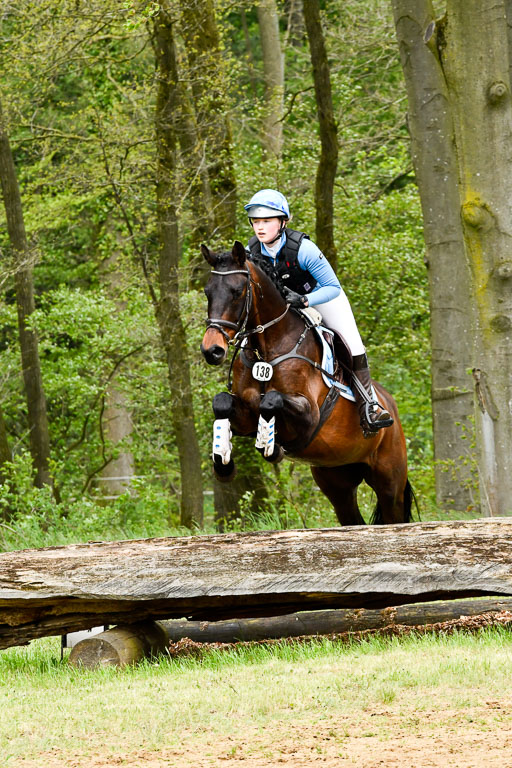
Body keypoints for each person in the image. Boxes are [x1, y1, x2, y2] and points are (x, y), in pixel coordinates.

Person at [244, 188, 393, 436]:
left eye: (267, 221)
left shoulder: (303, 249)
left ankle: (370, 405)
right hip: (282, 307)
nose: (260, 227)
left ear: (282, 222)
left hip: (319, 296)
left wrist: (305, 299)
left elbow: (332, 287)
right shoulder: (251, 252)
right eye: (256, 221)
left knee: (352, 343)